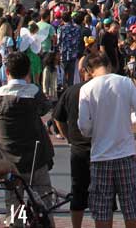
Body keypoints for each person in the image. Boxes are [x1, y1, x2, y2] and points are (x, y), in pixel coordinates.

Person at [77, 54, 136, 228]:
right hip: (126, 154)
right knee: (131, 208)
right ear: (109, 65)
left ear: (89, 70)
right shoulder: (125, 83)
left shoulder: (86, 89)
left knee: (102, 210)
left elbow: (85, 128)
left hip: (100, 157)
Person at [0, 51, 54, 196]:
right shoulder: (35, 93)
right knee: (43, 202)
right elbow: (44, 108)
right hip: (35, 158)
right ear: (28, 71)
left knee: (14, 206)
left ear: (7, 71)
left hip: (8, 159)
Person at [54, 61, 94, 228]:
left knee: (78, 192)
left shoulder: (71, 91)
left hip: (78, 148)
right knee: (104, 197)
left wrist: (68, 137)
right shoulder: (106, 92)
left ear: (84, 71)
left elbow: (58, 118)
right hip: (102, 148)